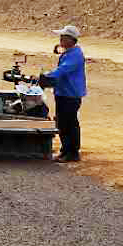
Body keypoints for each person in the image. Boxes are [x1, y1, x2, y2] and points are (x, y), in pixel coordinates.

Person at [39, 24, 87, 162]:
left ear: (70, 39)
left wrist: (47, 76)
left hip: (69, 94)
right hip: (64, 92)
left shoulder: (75, 55)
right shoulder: (70, 53)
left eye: (63, 37)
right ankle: (66, 150)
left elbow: (63, 70)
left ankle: (71, 153)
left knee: (68, 123)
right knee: (63, 122)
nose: (60, 40)